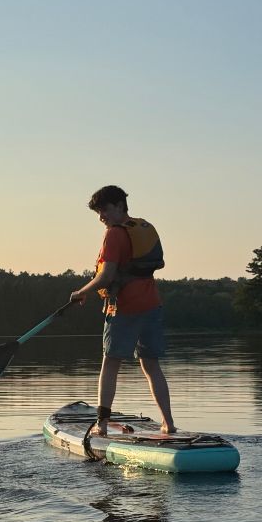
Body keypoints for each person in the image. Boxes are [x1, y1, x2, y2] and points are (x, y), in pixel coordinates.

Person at [70, 185, 176, 436]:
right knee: (152, 366)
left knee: (110, 363)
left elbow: (106, 276)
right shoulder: (142, 228)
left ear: (119, 206)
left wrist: (81, 292)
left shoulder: (114, 235)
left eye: (104, 210)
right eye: (98, 212)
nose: (101, 217)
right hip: (152, 305)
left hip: (125, 308)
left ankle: (102, 425)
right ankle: (168, 423)